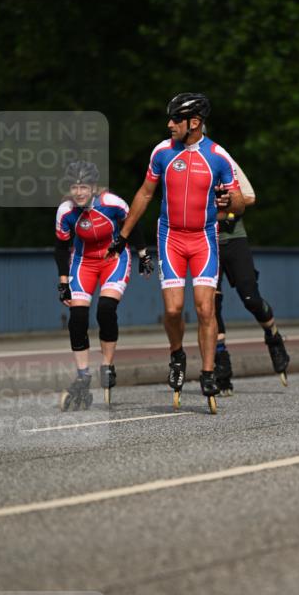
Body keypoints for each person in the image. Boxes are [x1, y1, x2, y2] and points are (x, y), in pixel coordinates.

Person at [108, 93, 244, 412]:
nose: (169, 124)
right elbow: (144, 193)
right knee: (173, 310)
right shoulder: (162, 153)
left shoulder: (218, 156)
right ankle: (177, 354)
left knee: (205, 309)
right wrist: (123, 234)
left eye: (174, 119)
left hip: (204, 238)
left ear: (193, 123)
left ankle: (208, 373)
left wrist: (229, 204)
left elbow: (239, 200)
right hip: (170, 237)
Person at [54, 160, 152, 410]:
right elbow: (62, 247)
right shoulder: (65, 211)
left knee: (105, 309)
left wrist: (143, 255)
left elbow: (133, 224)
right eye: (74, 187)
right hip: (83, 262)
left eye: (84, 187)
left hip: (113, 259)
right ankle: (83, 374)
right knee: (77, 317)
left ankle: (107, 365)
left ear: (94, 187)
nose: (78, 192)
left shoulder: (112, 203)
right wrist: (63, 282)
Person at [213, 157, 290, 393]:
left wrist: (225, 205)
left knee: (250, 297)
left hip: (234, 239)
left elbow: (250, 197)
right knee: (210, 304)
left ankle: (273, 337)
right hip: (206, 242)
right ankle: (221, 364)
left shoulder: (222, 160)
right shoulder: (183, 166)